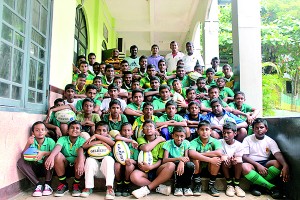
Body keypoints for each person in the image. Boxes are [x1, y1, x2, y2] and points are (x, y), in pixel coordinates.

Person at [242, 118, 290, 199]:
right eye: (256, 128)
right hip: (252, 163)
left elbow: (277, 153)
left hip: (265, 163)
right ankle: (271, 187)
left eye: (261, 127)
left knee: (278, 163)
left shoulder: (270, 141)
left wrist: (285, 165)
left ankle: (257, 185)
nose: (259, 130)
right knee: (244, 167)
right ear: (253, 129)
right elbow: (244, 156)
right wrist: (257, 165)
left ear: (266, 129)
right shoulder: (248, 139)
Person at [131, 120, 173, 198]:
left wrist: (151, 167)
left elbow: (161, 160)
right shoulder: (141, 139)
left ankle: (148, 188)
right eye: (146, 127)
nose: (148, 128)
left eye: (151, 126)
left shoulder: (162, 143)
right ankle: (158, 187)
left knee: (171, 165)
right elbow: (146, 148)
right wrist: (159, 139)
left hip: (157, 169)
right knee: (134, 176)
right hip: (144, 169)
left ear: (155, 129)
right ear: (143, 130)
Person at [44, 121, 86, 197]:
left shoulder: (82, 140)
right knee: (57, 155)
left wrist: (81, 161)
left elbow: (81, 151)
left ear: (80, 132)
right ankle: (63, 184)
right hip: (64, 166)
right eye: (72, 128)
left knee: (81, 158)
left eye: (77, 128)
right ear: (67, 130)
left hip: (78, 167)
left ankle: (76, 184)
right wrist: (51, 156)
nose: (74, 130)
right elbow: (58, 147)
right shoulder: (62, 139)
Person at [17, 121, 55, 197]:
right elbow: (23, 156)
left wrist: (43, 153)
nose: (40, 132)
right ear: (33, 132)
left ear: (46, 131)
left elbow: (55, 153)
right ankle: (38, 185)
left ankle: (47, 184)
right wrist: (28, 144)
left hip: (47, 168)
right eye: (37, 130)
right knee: (20, 162)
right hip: (34, 167)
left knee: (49, 158)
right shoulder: (31, 141)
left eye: (42, 130)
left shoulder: (50, 141)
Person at [80, 121, 116, 199]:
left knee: (108, 159)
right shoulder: (91, 140)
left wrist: (99, 138)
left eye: (104, 130)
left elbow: (113, 143)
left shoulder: (110, 140)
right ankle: (88, 188)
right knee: (89, 160)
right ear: (95, 131)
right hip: (94, 170)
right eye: (98, 130)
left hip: (106, 171)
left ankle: (109, 189)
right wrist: (100, 141)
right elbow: (83, 146)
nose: (101, 132)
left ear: (108, 132)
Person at [188, 120, 222, 197]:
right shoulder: (194, 142)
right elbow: (191, 153)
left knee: (217, 158)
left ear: (210, 131)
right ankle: (198, 184)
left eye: (206, 129)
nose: (204, 132)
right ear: (198, 131)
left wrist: (200, 154)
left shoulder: (215, 141)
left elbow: (219, 153)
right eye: (202, 129)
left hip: (211, 168)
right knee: (195, 158)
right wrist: (210, 159)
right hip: (198, 168)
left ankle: (211, 185)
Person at [162, 126, 195, 196]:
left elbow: (186, 157)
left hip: (182, 162)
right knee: (177, 164)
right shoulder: (168, 143)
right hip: (172, 163)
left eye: (182, 136)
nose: (179, 138)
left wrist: (182, 161)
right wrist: (179, 159)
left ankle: (186, 187)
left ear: (185, 136)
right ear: (172, 136)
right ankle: (178, 186)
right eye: (176, 136)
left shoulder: (186, 143)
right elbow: (164, 160)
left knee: (190, 165)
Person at [220, 122, 246, 197]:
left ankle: (237, 185)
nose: (225, 135)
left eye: (228, 133)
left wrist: (233, 161)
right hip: (224, 167)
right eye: (224, 132)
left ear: (235, 133)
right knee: (224, 158)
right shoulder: (219, 142)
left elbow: (238, 158)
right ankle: (229, 184)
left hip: (235, 168)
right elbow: (219, 154)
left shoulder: (239, 145)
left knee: (238, 160)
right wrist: (225, 159)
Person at [114, 123, 139, 197]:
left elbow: (137, 161)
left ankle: (126, 184)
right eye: (124, 130)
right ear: (120, 132)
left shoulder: (135, 144)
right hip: (119, 165)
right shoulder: (118, 142)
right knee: (116, 165)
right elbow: (116, 138)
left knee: (129, 166)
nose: (126, 132)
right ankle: (119, 184)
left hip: (129, 166)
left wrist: (132, 161)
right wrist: (129, 140)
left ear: (132, 132)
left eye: (128, 130)